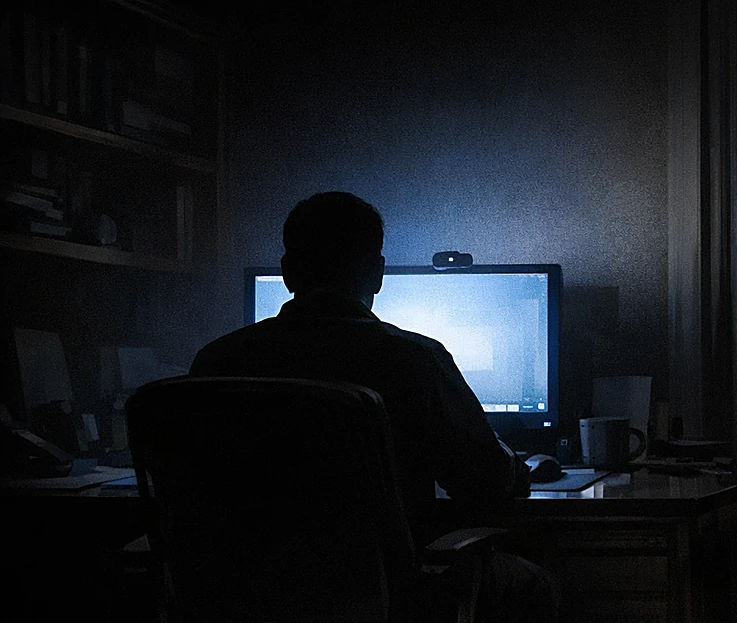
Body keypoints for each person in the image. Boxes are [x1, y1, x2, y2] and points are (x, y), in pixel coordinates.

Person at [190, 191, 557, 622]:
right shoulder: (413, 359)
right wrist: (519, 464)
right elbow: (486, 481)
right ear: (377, 273)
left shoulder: (216, 362)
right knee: (538, 584)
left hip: (245, 597)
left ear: (287, 272)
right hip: (381, 597)